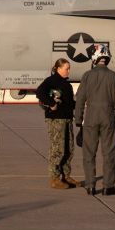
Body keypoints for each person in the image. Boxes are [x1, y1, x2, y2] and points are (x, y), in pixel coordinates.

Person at [74, 44, 115, 196]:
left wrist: (78, 119)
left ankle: (90, 186)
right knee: (108, 153)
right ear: (107, 58)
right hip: (107, 117)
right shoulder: (113, 76)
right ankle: (108, 187)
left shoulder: (87, 76)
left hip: (91, 118)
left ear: (94, 58)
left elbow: (80, 99)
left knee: (89, 153)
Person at [36, 58, 77, 189]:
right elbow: (40, 92)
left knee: (69, 148)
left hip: (67, 118)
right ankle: (54, 178)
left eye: (69, 68)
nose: (69, 70)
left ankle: (65, 175)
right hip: (56, 120)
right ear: (58, 69)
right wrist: (51, 103)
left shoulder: (65, 84)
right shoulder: (52, 80)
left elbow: (69, 103)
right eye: (67, 68)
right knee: (57, 149)